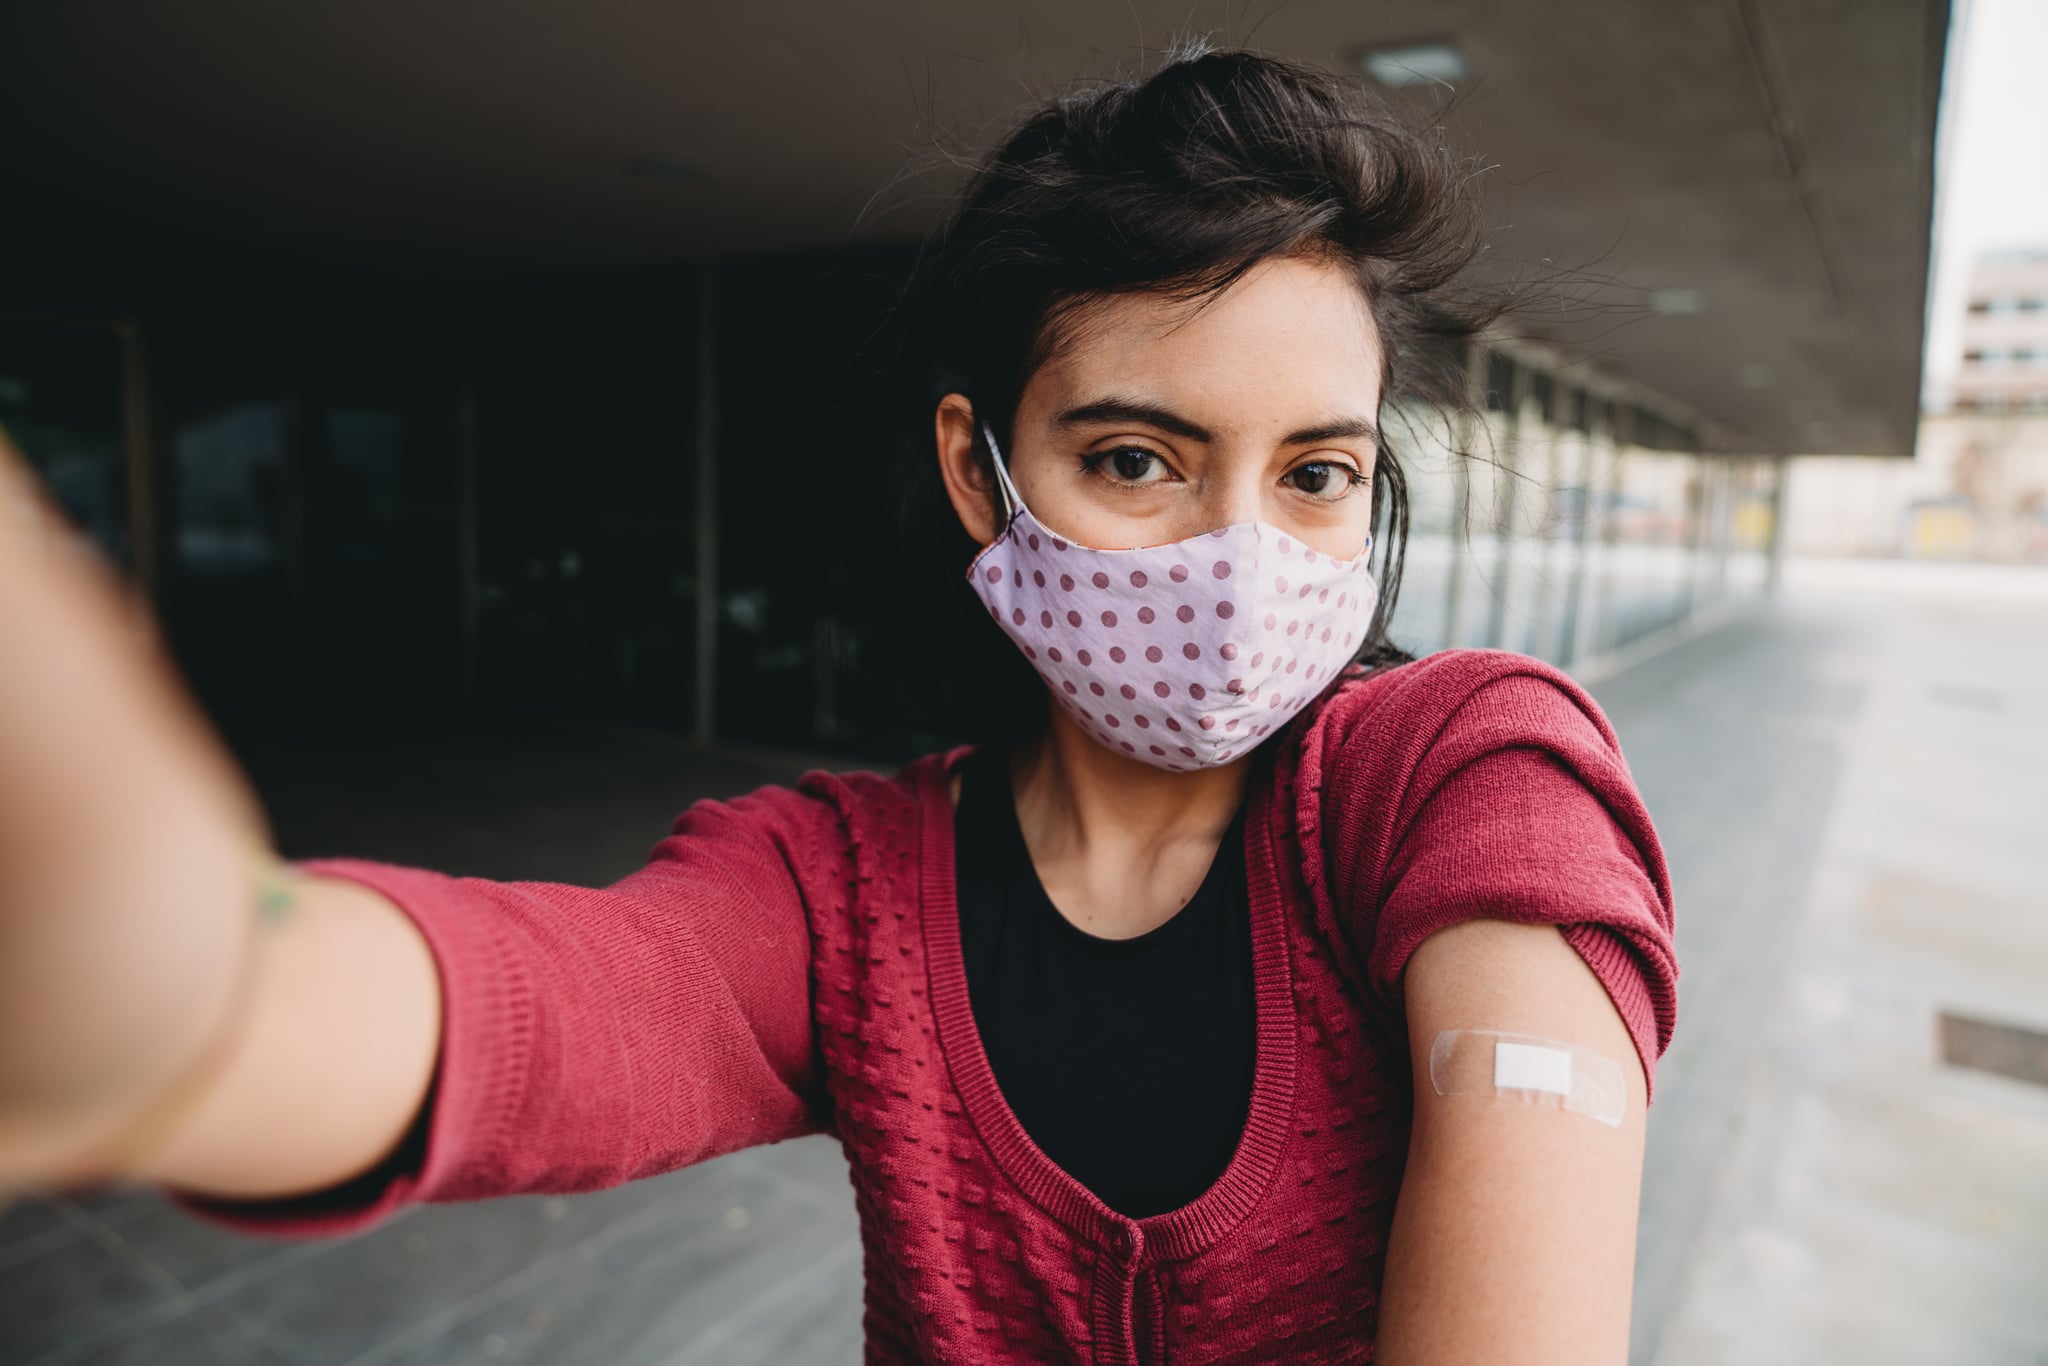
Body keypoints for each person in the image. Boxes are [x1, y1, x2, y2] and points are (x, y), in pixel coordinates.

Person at [0, 44, 1678, 1365]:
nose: (1240, 555)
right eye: (1134, 458)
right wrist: (196, 997)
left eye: (1316, 472)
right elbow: (549, 1011)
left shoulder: (1467, 776)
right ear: (978, 464)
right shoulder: (849, 895)